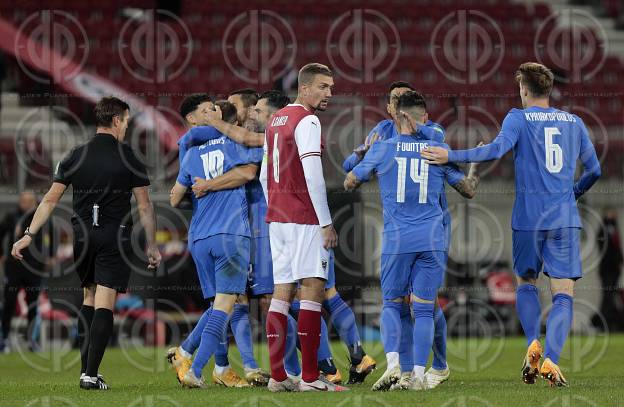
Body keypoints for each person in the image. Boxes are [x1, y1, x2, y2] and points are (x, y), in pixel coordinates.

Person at [421, 62, 602, 387]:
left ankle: (532, 340)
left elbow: (495, 150)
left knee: (527, 283)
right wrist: (573, 193)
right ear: (548, 89)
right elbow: (595, 170)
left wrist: (450, 156)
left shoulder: (517, 118)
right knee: (563, 294)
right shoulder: (574, 122)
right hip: (564, 218)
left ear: (524, 90)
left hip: (528, 218)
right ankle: (553, 361)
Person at [200, 89, 376, 384]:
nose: (252, 114)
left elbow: (250, 153)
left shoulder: (271, 135)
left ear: (272, 113)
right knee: (318, 293)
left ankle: (319, 367)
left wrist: (212, 124)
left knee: (293, 297)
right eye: (251, 110)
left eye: (255, 109)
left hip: (289, 222)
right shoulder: (280, 131)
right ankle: (351, 358)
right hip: (298, 220)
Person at [11, 96, 161, 390]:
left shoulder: (74, 155)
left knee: (88, 299)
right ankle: (90, 375)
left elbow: (50, 200)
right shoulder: (129, 156)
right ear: (117, 120)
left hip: (81, 237)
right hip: (112, 235)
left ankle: (85, 370)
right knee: (105, 303)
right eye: (127, 121)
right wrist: (152, 246)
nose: (128, 126)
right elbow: (145, 207)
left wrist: (28, 235)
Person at [344, 91, 479, 391]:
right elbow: (468, 190)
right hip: (432, 239)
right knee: (424, 308)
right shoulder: (437, 149)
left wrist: (365, 156)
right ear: (422, 117)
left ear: (400, 115)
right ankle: (418, 374)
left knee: (392, 305)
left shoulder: (384, 147)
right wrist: (472, 174)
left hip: (397, 240)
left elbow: (349, 180)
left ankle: (394, 365)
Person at [259, 63, 347, 392]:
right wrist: (326, 222)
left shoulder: (275, 120)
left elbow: (264, 175)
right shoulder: (308, 120)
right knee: (312, 291)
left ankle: (278, 377)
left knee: (281, 293)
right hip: (304, 218)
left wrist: (275, 207)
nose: (329, 94)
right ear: (305, 87)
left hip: (277, 219)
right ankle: (310, 378)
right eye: (323, 87)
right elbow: (312, 174)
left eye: (331, 87)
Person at [168, 95, 265, 387]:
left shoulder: (190, 152)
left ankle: (218, 367)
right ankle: (193, 367)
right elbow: (249, 173)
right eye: (207, 110)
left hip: (199, 237)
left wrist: (203, 188)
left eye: (214, 109)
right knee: (226, 306)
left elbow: (173, 198)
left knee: (217, 306)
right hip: (230, 233)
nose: (212, 112)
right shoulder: (236, 142)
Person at [0, 191, 53, 352]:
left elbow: (50, 238)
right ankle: (4, 339)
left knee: (33, 304)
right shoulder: (12, 217)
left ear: (35, 202)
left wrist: (49, 257)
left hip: (34, 268)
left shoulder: (42, 218)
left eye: (29, 201)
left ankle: (31, 340)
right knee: (9, 303)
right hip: (14, 267)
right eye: (23, 201)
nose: (25, 204)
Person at [594, 209, 623, 331]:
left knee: (611, 296)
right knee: (607, 296)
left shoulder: (615, 229)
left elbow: (617, 248)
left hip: (615, 269)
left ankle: (609, 324)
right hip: (607, 269)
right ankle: (603, 324)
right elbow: (605, 249)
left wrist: (620, 261)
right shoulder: (603, 229)